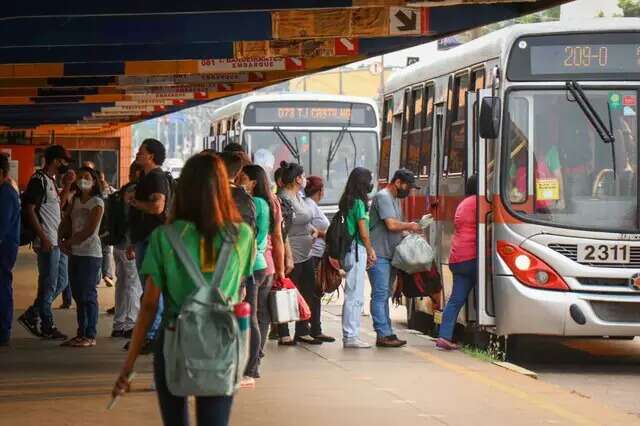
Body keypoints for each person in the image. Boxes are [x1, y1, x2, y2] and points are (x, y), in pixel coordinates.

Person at [112, 153, 254, 426]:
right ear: (224, 187)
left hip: (173, 341)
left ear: (184, 189)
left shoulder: (164, 237)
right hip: (220, 343)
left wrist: (129, 366)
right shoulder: (242, 236)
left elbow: (150, 305)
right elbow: (239, 294)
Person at [18, 145, 74, 340]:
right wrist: (42, 237)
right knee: (49, 284)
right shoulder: (38, 180)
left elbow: (58, 206)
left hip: (56, 240)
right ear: (56, 161)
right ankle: (47, 325)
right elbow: (30, 209)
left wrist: (67, 185)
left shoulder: (51, 180)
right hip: (47, 241)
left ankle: (32, 314)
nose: (66, 166)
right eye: (64, 161)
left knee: (62, 281)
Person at [368, 169, 422, 348]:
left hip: (389, 254)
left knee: (385, 295)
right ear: (398, 182)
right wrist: (411, 225)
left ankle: (387, 332)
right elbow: (391, 225)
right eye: (407, 186)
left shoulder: (395, 200)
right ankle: (383, 333)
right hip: (379, 253)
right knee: (380, 294)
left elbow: (396, 227)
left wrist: (409, 233)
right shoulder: (383, 196)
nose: (409, 191)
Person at [128, 138, 171, 352]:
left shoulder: (157, 178)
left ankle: (153, 334)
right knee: (149, 288)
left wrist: (135, 203)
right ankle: (150, 332)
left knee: (153, 288)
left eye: (141, 151)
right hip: (144, 238)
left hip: (152, 239)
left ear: (151, 155)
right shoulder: (147, 177)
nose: (137, 153)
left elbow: (157, 207)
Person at [278, 161, 326, 345]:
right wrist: (287, 254)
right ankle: (284, 332)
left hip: (306, 252)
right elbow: (281, 228)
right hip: (292, 252)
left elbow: (305, 220)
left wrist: (313, 230)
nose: (305, 179)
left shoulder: (298, 196)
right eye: (303, 176)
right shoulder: (283, 198)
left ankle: (302, 329)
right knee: (286, 292)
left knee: (306, 290)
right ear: (297, 179)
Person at [238, 164, 278, 381]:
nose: (238, 179)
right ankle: (256, 358)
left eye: (242, 177)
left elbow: (248, 237)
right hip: (264, 264)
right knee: (261, 316)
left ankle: (251, 366)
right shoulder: (268, 202)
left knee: (251, 317)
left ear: (252, 182)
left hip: (252, 266)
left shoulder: (253, 203)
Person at [58, 167, 104, 347]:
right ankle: (81, 333)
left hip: (90, 254)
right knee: (77, 294)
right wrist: (61, 239)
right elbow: (66, 220)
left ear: (94, 181)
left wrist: (70, 242)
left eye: (87, 177)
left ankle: (90, 334)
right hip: (75, 253)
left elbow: (90, 230)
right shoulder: (75, 200)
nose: (82, 180)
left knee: (88, 294)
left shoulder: (97, 202)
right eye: (80, 177)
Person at [436, 175, 478, 351]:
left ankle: (444, 336)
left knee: (455, 299)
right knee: (489, 290)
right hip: (472, 257)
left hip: (457, 257)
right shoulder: (479, 203)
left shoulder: (463, 204)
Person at [339, 168, 376, 349]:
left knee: (352, 293)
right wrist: (370, 250)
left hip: (348, 250)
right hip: (356, 250)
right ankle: (350, 335)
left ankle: (350, 334)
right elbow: (364, 232)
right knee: (354, 294)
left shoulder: (347, 201)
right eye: (369, 180)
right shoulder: (359, 204)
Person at [111, 163, 144, 338]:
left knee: (122, 285)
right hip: (130, 245)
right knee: (133, 286)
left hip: (118, 244)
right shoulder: (136, 192)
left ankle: (119, 324)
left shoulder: (122, 191)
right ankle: (130, 324)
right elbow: (133, 220)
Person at [303, 176, 335, 342]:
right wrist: (324, 234)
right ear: (320, 191)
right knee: (313, 293)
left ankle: (315, 328)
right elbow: (308, 228)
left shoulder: (312, 205)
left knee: (315, 293)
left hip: (317, 254)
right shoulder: (309, 206)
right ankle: (311, 328)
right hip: (312, 254)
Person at [0, 154, 20, 346]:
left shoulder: (6, 193)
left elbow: (2, 225)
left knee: (2, 288)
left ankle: (3, 330)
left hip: (4, 248)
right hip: (6, 246)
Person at [98, 170, 116, 288]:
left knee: (99, 252)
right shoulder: (112, 191)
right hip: (108, 227)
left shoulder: (94, 193)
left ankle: (97, 277)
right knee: (107, 252)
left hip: (98, 227)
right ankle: (108, 275)